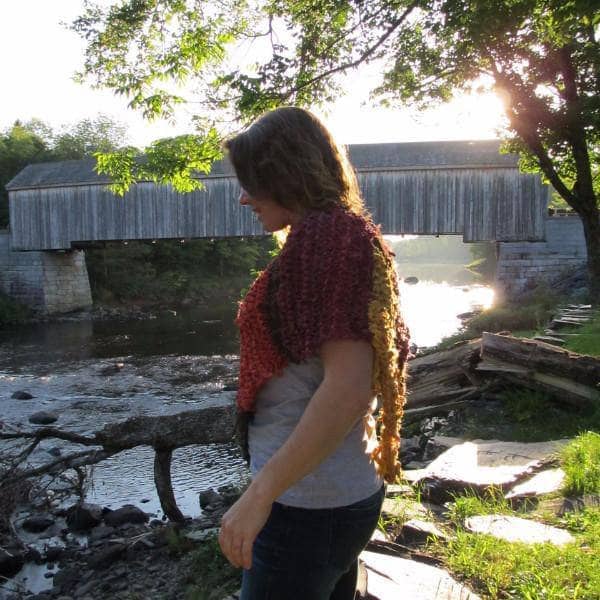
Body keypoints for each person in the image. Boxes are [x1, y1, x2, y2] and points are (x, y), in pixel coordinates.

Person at [218, 107, 410, 600]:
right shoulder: (329, 238)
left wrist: (258, 496)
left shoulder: (333, 240)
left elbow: (348, 387)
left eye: (253, 183)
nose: (244, 198)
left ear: (287, 174)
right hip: (322, 499)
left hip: (307, 509)